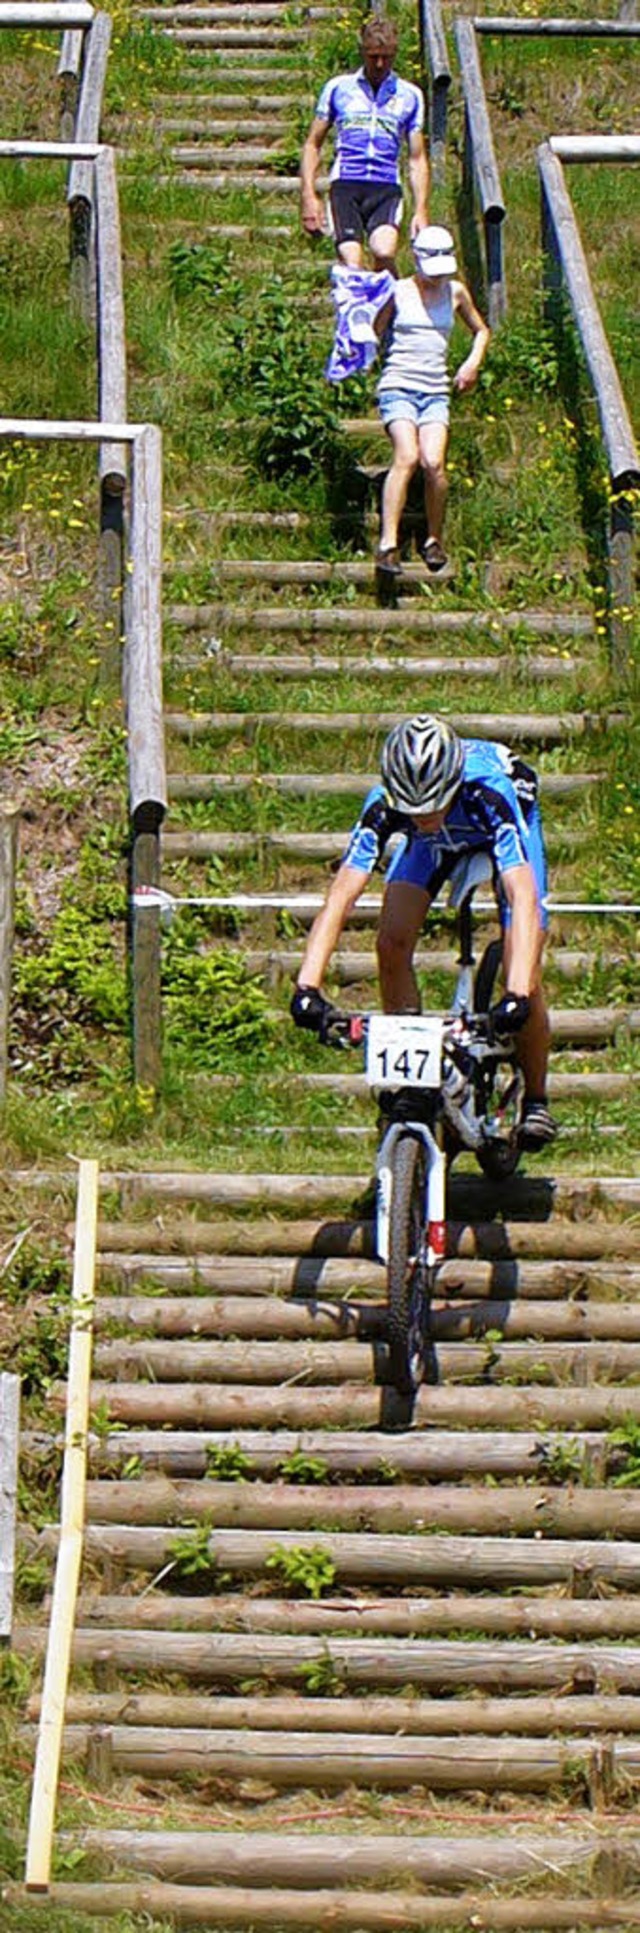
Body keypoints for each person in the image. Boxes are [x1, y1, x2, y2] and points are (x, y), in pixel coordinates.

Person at [290, 714, 557, 1150]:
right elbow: (341, 895)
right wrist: (307, 985)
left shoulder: (490, 791)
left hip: (496, 829)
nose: (424, 816)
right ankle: (410, 1074)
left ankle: (537, 1099)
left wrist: (516, 997)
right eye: (414, 810)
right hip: (429, 848)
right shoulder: (385, 805)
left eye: (433, 805)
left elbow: (522, 894)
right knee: (390, 941)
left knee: (522, 968)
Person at [374, 225, 490, 578]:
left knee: (434, 463)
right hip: (398, 384)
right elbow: (374, 332)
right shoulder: (398, 291)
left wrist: (471, 363)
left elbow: (481, 331)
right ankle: (388, 543)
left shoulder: (455, 292)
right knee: (407, 456)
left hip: (435, 390)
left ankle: (433, 538)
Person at [300, 14, 429, 273]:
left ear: (395, 53)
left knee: (384, 252)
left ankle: (390, 310)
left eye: (387, 56)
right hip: (346, 183)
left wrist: (421, 208)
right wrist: (309, 195)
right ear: (362, 52)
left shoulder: (410, 95)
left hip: (385, 185)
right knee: (352, 262)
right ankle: (354, 311)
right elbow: (312, 144)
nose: (380, 64)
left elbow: (417, 157)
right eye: (372, 56)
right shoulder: (339, 88)